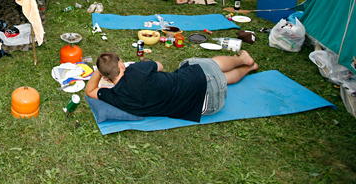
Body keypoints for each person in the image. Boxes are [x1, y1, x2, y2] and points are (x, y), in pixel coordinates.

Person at [85, 50, 259, 123]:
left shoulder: (115, 97)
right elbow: (160, 65)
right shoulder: (137, 70)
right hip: (199, 80)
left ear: (107, 78)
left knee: (220, 79)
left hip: (208, 106)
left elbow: (89, 91)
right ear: (121, 65)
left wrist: (100, 72)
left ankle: (250, 67)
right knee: (198, 64)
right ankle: (244, 60)